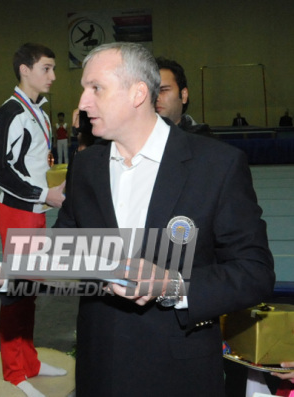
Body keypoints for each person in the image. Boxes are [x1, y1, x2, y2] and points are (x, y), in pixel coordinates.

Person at [54, 42, 275, 397]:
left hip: (177, 373)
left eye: (95, 88)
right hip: (99, 368)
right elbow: (63, 247)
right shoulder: (86, 166)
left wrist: (172, 286)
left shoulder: (216, 165)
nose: (82, 102)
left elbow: (255, 272)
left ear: (138, 93)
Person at [0, 43, 67, 397]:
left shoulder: (41, 112)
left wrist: (52, 186)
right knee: (15, 292)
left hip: (35, 210)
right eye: (46, 69)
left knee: (29, 289)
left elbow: (33, 164)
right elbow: (0, 171)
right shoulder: (9, 113)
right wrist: (43, 194)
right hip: (18, 210)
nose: (52, 76)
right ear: (25, 70)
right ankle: (13, 371)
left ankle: (30, 361)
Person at [155, 56, 212, 136]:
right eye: (151, 92)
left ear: (183, 95)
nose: (156, 97)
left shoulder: (204, 142)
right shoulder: (136, 140)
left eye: (163, 90)